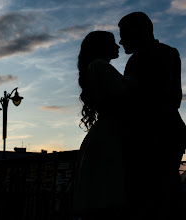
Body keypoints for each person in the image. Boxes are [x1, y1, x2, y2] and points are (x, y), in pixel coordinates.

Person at [118, 12, 186, 219]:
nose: (121, 41)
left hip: (147, 137)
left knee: (147, 199)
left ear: (139, 32)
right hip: (171, 130)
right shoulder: (170, 52)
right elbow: (176, 97)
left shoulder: (137, 60)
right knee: (166, 195)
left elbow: (130, 102)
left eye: (124, 35)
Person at [73, 31, 127, 220]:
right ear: (101, 47)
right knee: (109, 198)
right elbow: (126, 97)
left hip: (105, 133)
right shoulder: (99, 66)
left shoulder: (94, 68)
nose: (118, 46)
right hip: (110, 136)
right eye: (112, 42)